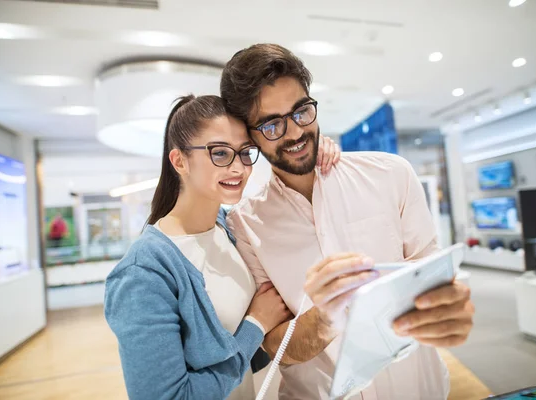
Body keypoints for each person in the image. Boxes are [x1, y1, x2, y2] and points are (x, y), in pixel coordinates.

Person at [221, 44, 475, 399]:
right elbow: (276, 344)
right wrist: (324, 318)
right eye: (272, 124)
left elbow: (433, 278)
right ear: (250, 136)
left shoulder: (391, 175)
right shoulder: (246, 224)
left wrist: (449, 308)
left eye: (301, 111)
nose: (294, 133)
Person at [104, 94, 340, 400]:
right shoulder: (143, 273)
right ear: (179, 161)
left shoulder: (229, 227)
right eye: (220, 153)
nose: (238, 168)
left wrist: (314, 156)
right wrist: (255, 324)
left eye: (245, 153)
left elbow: (254, 355)